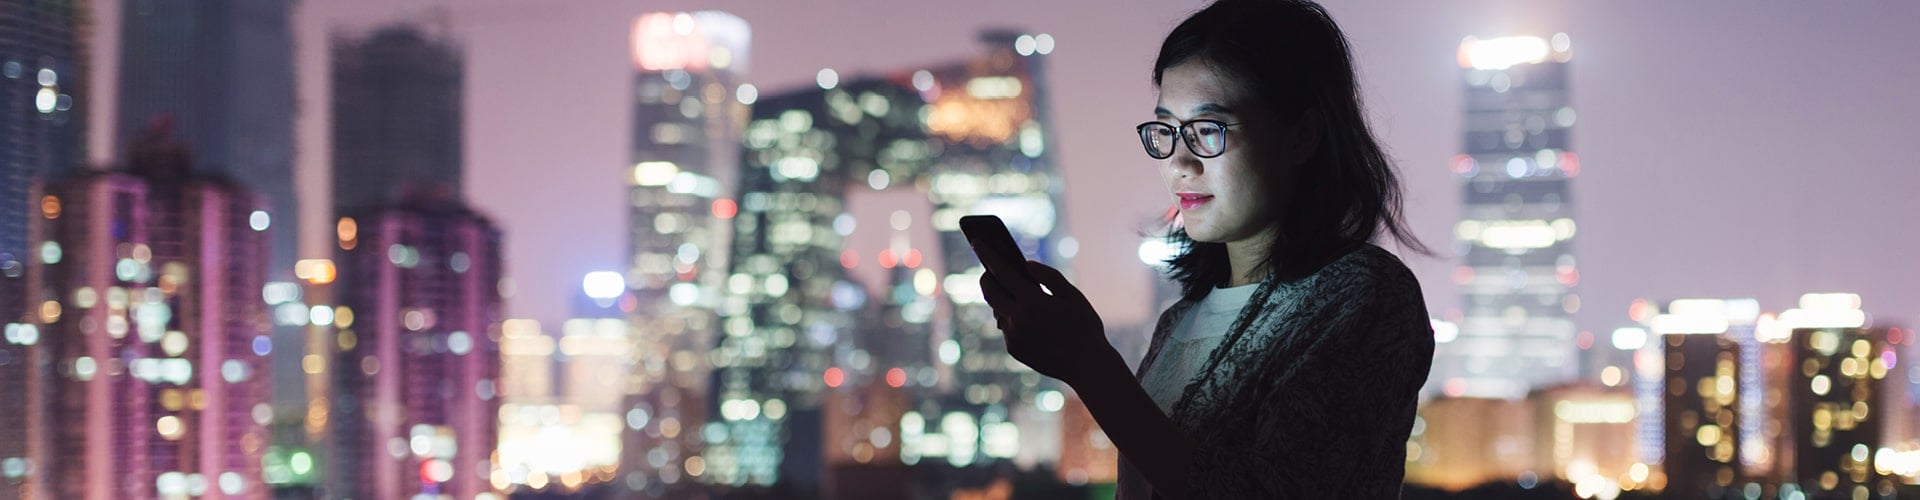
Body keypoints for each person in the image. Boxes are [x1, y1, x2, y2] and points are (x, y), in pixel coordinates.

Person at [972, 0, 1435, 497]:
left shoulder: (1364, 295)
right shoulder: (1180, 319)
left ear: (1301, 135)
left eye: (1208, 130)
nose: (1179, 161)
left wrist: (1090, 365)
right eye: (1167, 130)